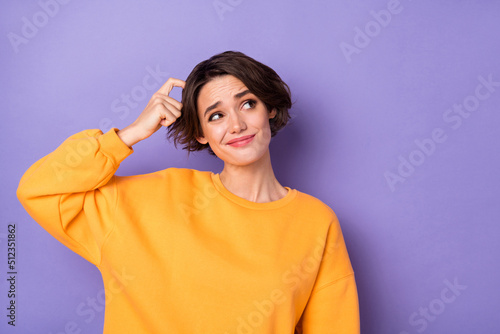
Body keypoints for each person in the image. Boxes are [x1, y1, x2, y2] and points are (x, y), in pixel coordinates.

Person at [17, 51, 359, 333]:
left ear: (269, 109)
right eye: (216, 115)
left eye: (248, 104)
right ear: (200, 134)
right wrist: (128, 135)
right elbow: (40, 189)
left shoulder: (315, 222)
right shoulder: (145, 201)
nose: (236, 125)